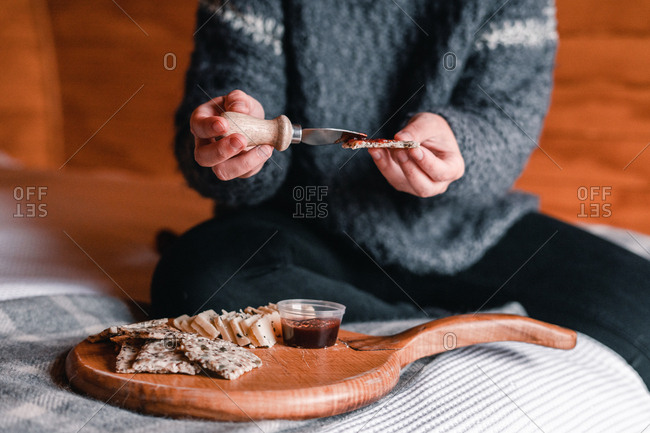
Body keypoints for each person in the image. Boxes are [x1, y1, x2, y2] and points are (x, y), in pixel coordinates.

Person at [151, 0, 650, 387]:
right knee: (200, 276)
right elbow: (223, 106)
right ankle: (442, 332)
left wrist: (461, 149)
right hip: (302, 226)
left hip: (462, 230)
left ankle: (401, 326)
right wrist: (236, 155)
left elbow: (506, 121)